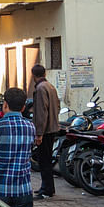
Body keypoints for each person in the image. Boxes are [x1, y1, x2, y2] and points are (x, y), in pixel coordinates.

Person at [30, 65, 60, 199]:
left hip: (45, 130)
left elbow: (41, 112)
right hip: (52, 127)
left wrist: (39, 133)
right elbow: (57, 106)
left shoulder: (41, 89)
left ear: (33, 75)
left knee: (44, 160)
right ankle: (48, 187)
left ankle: (46, 189)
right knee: (46, 158)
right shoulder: (50, 86)